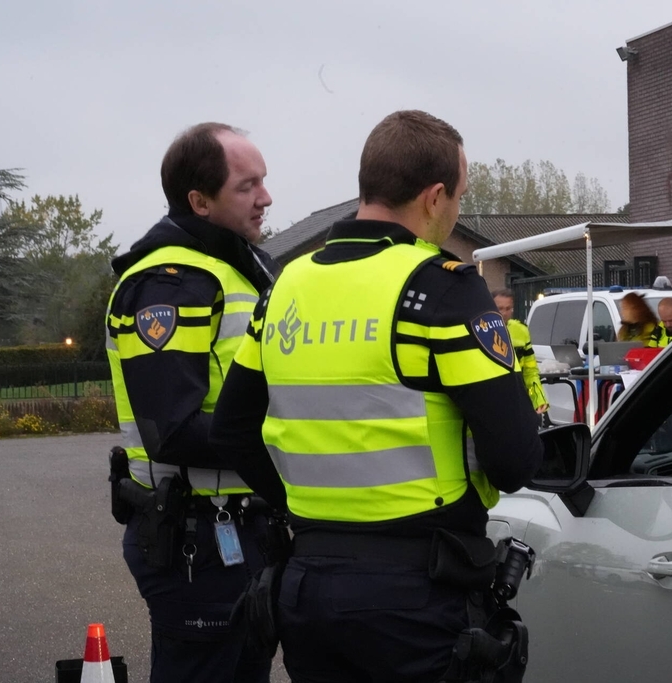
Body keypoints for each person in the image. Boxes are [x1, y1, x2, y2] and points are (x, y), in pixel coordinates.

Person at [210, 110, 544, 683]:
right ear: (435, 197)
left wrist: (303, 505)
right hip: (415, 597)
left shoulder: (287, 284)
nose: (456, 211)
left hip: (308, 585)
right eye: (459, 197)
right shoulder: (441, 286)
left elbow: (232, 429)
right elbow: (514, 461)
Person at [105, 122, 280, 683]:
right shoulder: (170, 284)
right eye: (246, 186)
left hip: (236, 531)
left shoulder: (233, 270)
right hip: (197, 541)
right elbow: (171, 429)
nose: (266, 197)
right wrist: (289, 440)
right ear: (199, 201)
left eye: (264, 181)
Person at [492, 288, 549, 414]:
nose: (504, 313)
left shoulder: (521, 331)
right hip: (491, 398)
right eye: (500, 308)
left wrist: (538, 399)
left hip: (516, 396)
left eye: (508, 308)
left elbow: (530, 371)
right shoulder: (481, 330)